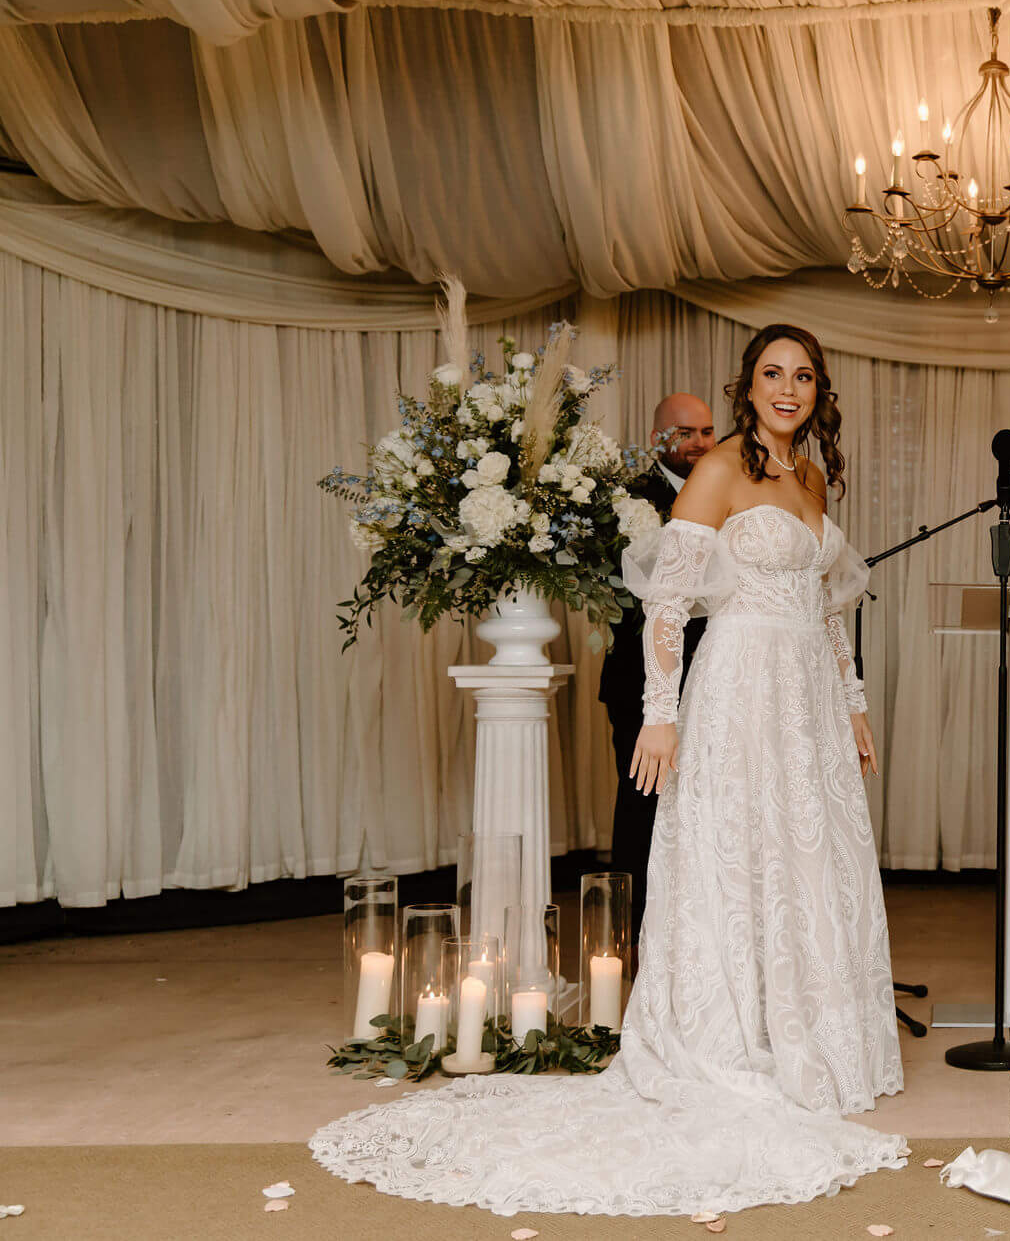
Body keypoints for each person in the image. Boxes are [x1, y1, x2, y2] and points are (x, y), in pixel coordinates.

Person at [311, 325, 904, 1215]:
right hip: (738, 691)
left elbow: (824, 608)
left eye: (805, 376)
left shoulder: (813, 476)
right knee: (736, 861)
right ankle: (728, 1035)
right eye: (774, 374)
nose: (790, 389)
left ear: (821, 390)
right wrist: (659, 719)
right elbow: (667, 600)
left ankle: (805, 1035)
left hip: (807, 706)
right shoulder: (722, 468)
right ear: (748, 386)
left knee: (803, 865)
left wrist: (852, 704)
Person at [597, 391, 715, 940]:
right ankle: (634, 938)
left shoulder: (727, 497)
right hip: (642, 682)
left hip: (716, 676)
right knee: (644, 805)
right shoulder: (627, 500)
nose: (699, 443)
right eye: (686, 433)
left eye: (707, 432)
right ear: (657, 440)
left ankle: (696, 933)